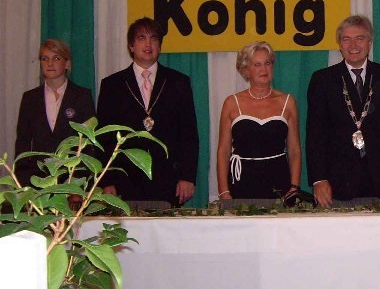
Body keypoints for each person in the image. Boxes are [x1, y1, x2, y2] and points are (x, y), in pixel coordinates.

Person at [306, 15, 380, 206]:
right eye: (346, 39)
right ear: (339, 44)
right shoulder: (323, 80)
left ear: (369, 43)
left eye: (360, 38)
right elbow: (315, 135)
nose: (353, 45)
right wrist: (319, 179)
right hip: (336, 181)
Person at [97, 17, 199, 205]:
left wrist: (187, 176)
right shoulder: (112, 85)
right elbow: (104, 138)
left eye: (154, 38)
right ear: (131, 46)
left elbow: (188, 134)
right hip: (124, 181)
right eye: (141, 38)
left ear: (160, 46)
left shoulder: (178, 82)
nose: (148, 44)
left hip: (169, 180)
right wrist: (106, 180)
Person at [216, 41, 301, 199]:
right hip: (241, 183)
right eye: (257, 65)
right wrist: (223, 191)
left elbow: (294, 150)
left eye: (267, 63)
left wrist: (294, 187)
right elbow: (223, 151)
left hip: (279, 183)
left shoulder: (288, 102)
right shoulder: (231, 103)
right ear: (246, 70)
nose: (264, 69)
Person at [15, 39, 95, 186]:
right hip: (37, 180)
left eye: (56, 58)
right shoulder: (30, 98)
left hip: (71, 179)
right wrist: (23, 182)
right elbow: (22, 142)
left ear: (67, 64)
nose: (50, 63)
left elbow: (88, 145)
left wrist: (79, 184)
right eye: (45, 59)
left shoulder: (82, 96)